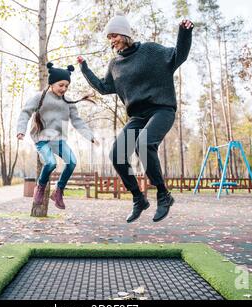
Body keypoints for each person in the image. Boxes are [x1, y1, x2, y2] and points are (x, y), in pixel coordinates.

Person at [77, 12, 194, 223]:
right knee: (116, 155)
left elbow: (179, 56)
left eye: (114, 35)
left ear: (124, 33)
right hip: (137, 116)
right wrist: (84, 68)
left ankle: (163, 195)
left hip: (161, 109)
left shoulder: (150, 50)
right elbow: (104, 88)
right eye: (109, 37)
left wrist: (184, 32)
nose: (111, 41)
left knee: (144, 144)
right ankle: (139, 199)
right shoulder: (115, 65)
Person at [17, 63, 98, 210]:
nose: (64, 89)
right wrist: (21, 130)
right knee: (50, 163)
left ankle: (58, 191)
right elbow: (25, 112)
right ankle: (40, 188)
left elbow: (77, 121)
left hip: (59, 140)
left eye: (67, 86)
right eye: (61, 85)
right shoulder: (39, 97)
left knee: (72, 162)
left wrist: (90, 136)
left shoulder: (68, 102)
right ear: (52, 83)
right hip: (42, 138)